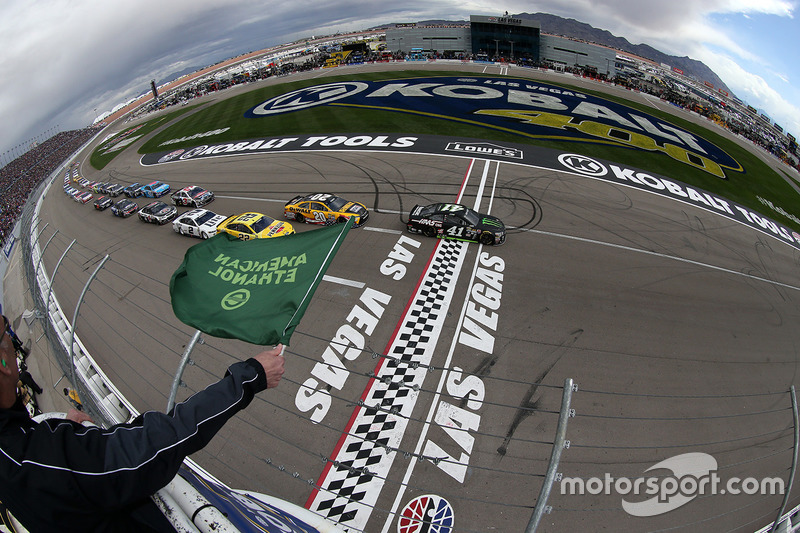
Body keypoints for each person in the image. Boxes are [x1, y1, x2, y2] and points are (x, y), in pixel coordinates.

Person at [0, 313, 285, 532]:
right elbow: (157, 444)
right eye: (4, 331)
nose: (12, 345)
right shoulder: (37, 460)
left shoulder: (20, 444)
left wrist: (61, 430)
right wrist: (250, 377)